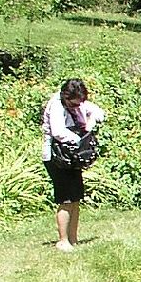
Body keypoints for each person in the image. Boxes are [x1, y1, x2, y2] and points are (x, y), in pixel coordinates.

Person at [42, 79, 106, 252]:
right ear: (66, 97)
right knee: (66, 198)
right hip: (57, 157)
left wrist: (90, 124)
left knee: (76, 198)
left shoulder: (77, 102)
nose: (77, 106)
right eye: (74, 103)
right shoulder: (56, 105)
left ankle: (73, 239)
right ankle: (63, 240)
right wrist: (80, 140)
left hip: (72, 157)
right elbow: (58, 132)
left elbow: (98, 112)